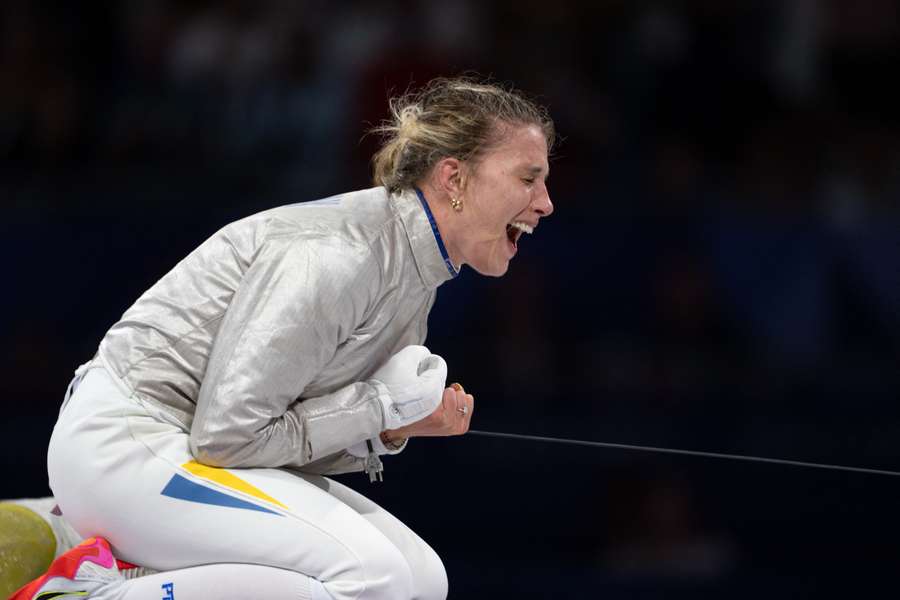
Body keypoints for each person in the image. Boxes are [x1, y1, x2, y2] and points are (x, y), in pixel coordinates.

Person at [10, 76, 555, 600]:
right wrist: (378, 406)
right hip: (125, 447)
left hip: (190, 454)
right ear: (453, 178)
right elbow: (226, 437)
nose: (545, 202)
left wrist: (390, 428)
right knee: (374, 575)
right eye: (527, 178)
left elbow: (283, 440)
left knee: (421, 581)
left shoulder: (414, 273)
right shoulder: (339, 255)